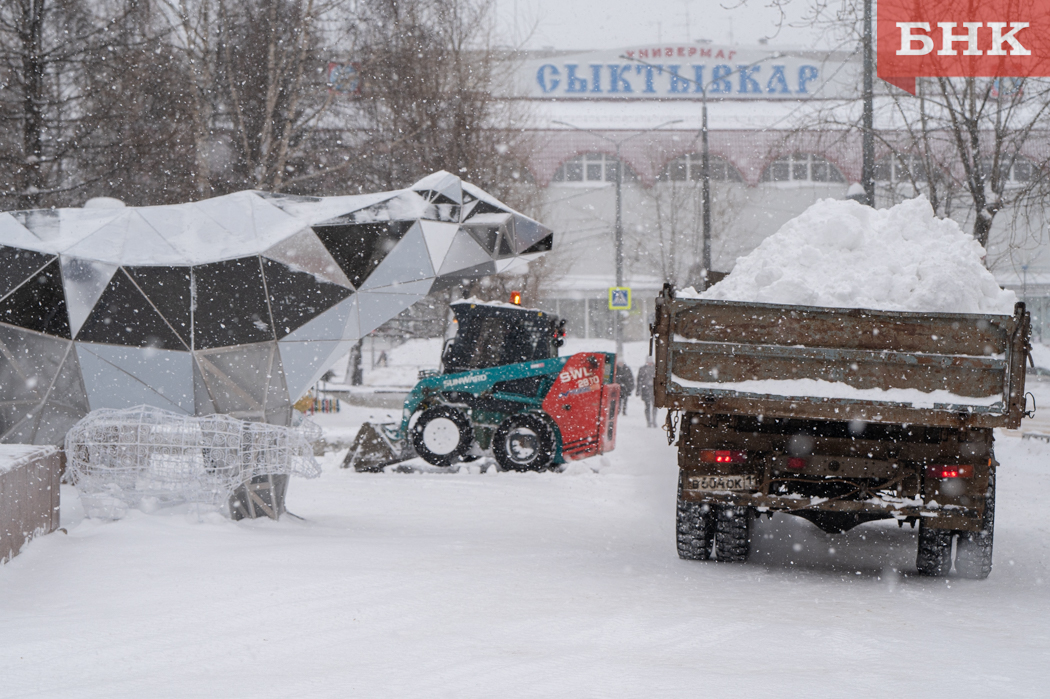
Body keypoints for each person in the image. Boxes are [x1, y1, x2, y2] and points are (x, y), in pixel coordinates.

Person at [637, 357, 656, 428]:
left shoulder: (656, 368)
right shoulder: (642, 369)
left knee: (655, 406)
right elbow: (639, 380)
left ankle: (654, 420)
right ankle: (648, 421)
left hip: (654, 390)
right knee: (647, 406)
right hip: (645, 390)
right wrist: (638, 390)